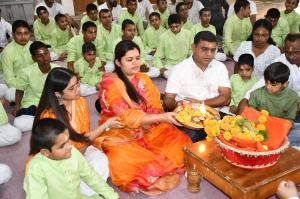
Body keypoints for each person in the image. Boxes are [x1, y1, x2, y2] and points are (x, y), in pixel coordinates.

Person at [93, 40, 192, 195]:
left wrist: (173, 109)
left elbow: (155, 105)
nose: (135, 63)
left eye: (137, 58)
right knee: (121, 157)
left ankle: (154, 164)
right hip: (121, 131)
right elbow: (125, 116)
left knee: (179, 140)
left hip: (150, 126)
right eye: (129, 59)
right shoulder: (110, 83)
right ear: (118, 62)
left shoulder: (143, 78)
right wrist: (159, 118)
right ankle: (146, 173)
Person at [33, 67, 122, 196]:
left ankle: (82, 188)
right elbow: (63, 154)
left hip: (83, 149)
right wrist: (105, 126)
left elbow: (84, 135)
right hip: (61, 160)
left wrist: (86, 150)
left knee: (106, 159)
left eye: (77, 85)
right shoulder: (49, 117)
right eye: (71, 88)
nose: (78, 90)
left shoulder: (81, 102)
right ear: (58, 94)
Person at [24, 118, 119, 199]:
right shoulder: (35, 169)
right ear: (46, 152)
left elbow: (91, 176)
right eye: (62, 146)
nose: (69, 146)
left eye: (68, 140)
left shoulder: (72, 152)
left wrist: (112, 196)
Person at [163, 31, 231, 142]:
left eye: (213, 50)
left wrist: (200, 103)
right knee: (189, 138)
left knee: (233, 134)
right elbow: (168, 99)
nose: (209, 54)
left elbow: (226, 98)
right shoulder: (179, 69)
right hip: (188, 120)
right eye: (204, 49)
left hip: (215, 115)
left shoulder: (220, 67)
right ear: (194, 47)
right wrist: (174, 103)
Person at [236, 33, 300, 115]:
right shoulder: (280, 61)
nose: (291, 56)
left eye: (296, 52)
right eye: (287, 52)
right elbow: (264, 81)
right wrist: (246, 99)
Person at [13, 41, 59, 132]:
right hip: (32, 105)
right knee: (19, 124)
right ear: (34, 58)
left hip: (51, 103)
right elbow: (19, 90)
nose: (44, 57)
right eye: (39, 56)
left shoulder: (57, 69)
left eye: (46, 53)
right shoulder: (26, 72)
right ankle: (45, 119)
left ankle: (43, 120)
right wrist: (17, 107)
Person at [1, 20, 34, 102]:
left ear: (30, 34)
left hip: (33, 80)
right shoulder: (7, 52)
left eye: (26, 33)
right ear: (13, 34)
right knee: (9, 95)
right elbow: (9, 79)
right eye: (19, 34)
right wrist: (25, 87)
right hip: (17, 83)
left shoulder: (32, 46)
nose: (23, 37)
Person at [153, 14, 191, 78]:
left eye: (177, 26)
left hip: (184, 64)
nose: (175, 29)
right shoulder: (163, 37)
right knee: (155, 71)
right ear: (168, 26)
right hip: (169, 66)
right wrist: (161, 68)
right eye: (172, 27)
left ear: (181, 24)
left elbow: (192, 52)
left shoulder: (188, 34)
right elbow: (157, 57)